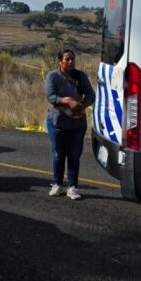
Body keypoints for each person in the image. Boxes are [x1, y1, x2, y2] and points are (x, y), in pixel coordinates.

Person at [44, 49, 95, 200]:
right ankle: (57, 184)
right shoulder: (52, 76)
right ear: (60, 61)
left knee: (74, 155)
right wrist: (66, 101)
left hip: (77, 123)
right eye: (67, 59)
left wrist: (82, 105)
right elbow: (51, 96)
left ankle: (72, 187)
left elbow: (91, 95)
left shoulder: (80, 76)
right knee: (58, 154)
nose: (71, 61)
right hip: (57, 121)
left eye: (72, 59)